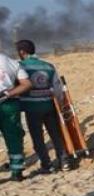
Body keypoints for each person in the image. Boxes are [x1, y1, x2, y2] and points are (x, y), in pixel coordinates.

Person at [16, 39, 72, 173]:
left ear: (22, 52)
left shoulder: (20, 66)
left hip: (31, 108)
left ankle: (47, 165)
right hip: (49, 106)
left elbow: (17, 87)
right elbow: (57, 88)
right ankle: (64, 161)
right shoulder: (48, 66)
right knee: (56, 135)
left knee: (38, 137)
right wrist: (58, 102)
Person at [0, 51, 32, 181]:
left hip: (9, 104)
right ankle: (17, 171)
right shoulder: (12, 62)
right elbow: (27, 84)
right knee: (14, 136)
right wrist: (8, 93)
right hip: (9, 104)